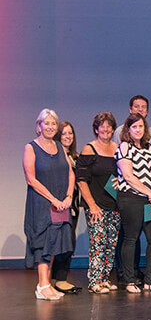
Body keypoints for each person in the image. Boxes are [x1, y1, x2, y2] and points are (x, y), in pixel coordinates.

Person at [23, 109, 75, 300]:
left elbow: (70, 173)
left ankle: (46, 284)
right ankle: (42, 285)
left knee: (54, 242)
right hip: (42, 203)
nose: (51, 127)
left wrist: (69, 196)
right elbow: (31, 179)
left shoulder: (60, 146)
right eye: (47, 123)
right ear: (39, 126)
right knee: (43, 243)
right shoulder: (31, 148)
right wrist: (52, 199)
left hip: (61, 204)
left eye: (54, 123)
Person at [114, 113, 151, 293]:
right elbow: (128, 176)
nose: (138, 130)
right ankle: (129, 281)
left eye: (141, 126)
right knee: (131, 238)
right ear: (128, 130)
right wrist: (149, 192)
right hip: (131, 199)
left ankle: (150, 280)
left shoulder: (149, 148)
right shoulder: (124, 147)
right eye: (134, 127)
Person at [76, 112, 120, 293]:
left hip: (114, 205)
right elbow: (81, 180)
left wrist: (121, 181)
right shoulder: (89, 149)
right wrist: (92, 205)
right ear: (96, 129)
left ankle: (104, 279)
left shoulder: (118, 149)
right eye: (102, 126)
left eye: (109, 126)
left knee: (111, 245)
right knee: (98, 243)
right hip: (95, 206)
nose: (106, 129)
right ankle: (95, 281)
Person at [51, 121, 81, 294]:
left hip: (73, 207)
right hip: (58, 206)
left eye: (70, 133)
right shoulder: (54, 156)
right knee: (59, 242)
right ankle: (56, 280)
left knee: (69, 241)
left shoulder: (75, 157)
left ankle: (61, 278)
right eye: (64, 134)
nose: (68, 137)